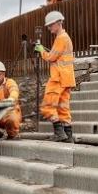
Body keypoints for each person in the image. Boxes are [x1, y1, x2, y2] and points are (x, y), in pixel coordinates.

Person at [35, 10, 75, 142]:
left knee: (47, 106)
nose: (49, 28)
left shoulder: (61, 38)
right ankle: (68, 136)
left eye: (50, 25)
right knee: (63, 108)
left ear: (59, 23)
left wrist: (41, 50)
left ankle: (59, 134)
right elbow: (58, 56)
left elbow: (51, 57)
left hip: (58, 78)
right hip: (67, 78)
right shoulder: (66, 37)